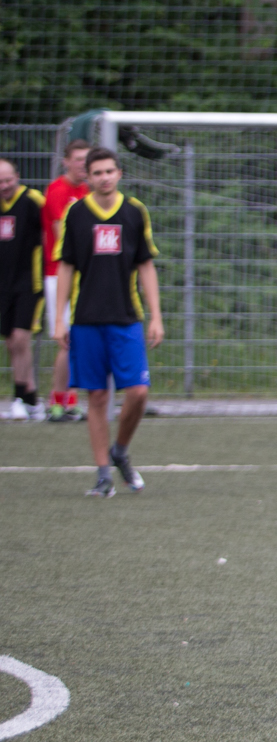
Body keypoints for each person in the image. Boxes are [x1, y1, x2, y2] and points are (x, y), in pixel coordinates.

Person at [53, 147, 164, 496]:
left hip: (126, 318)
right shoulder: (76, 213)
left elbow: (145, 264)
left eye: (109, 171)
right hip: (86, 320)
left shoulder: (134, 211)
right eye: (97, 172)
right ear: (87, 177)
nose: (104, 177)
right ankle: (103, 475)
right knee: (98, 397)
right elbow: (66, 266)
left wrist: (156, 316)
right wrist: (58, 319)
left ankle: (120, 451)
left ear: (119, 174)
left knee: (139, 392)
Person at [40, 138, 93, 421]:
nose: (83, 165)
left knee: (80, 339)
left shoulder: (87, 190)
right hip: (58, 275)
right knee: (66, 340)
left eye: (87, 159)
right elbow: (64, 238)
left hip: (82, 274)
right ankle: (56, 402)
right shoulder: (58, 191)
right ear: (66, 162)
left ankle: (70, 401)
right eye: (78, 159)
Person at [0, 160, 46, 420]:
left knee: (20, 338)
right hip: (4, 284)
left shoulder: (33, 201)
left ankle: (19, 398)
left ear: (17, 176)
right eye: (0, 182)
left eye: (8, 180)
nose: (4, 186)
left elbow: (51, 231)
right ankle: (31, 400)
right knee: (11, 341)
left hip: (30, 282)